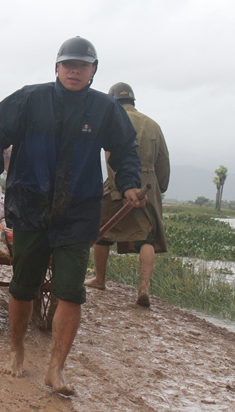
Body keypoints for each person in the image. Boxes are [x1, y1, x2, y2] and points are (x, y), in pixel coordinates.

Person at [0, 37, 144, 395]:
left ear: (94, 71)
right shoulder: (30, 99)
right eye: (68, 64)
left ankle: (56, 368)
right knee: (24, 286)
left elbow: (126, 149)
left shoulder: (104, 109)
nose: (75, 70)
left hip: (78, 210)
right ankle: (17, 350)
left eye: (83, 66)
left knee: (71, 291)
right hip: (30, 204)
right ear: (56, 67)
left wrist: (129, 182)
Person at [84, 82, 170, 307]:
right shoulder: (153, 124)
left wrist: (119, 188)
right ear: (133, 100)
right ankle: (143, 285)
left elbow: (113, 158)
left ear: (113, 100)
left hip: (118, 181)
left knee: (101, 231)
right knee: (146, 237)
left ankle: (100, 279)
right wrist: (160, 187)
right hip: (148, 184)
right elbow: (163, 159)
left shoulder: (115, 119)